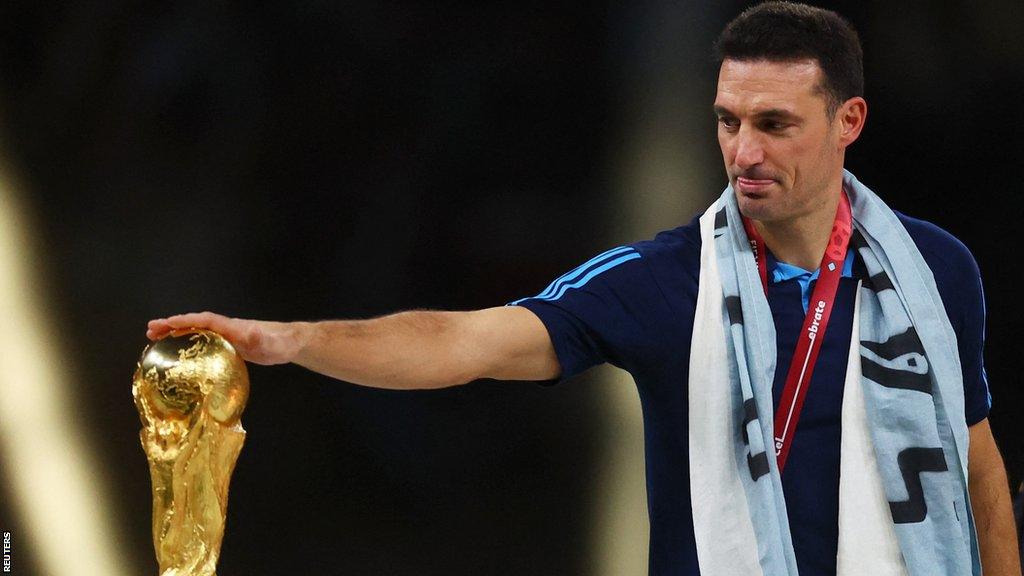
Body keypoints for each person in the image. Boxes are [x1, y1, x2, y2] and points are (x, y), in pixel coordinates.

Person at [147, 3, 1020, 575]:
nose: (744, 152)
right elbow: (464, 344)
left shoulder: (934, 268)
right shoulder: (659, 282)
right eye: (728, 121)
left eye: (774, 124)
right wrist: (294, 339)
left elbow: (978, 464)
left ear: (848, 123)